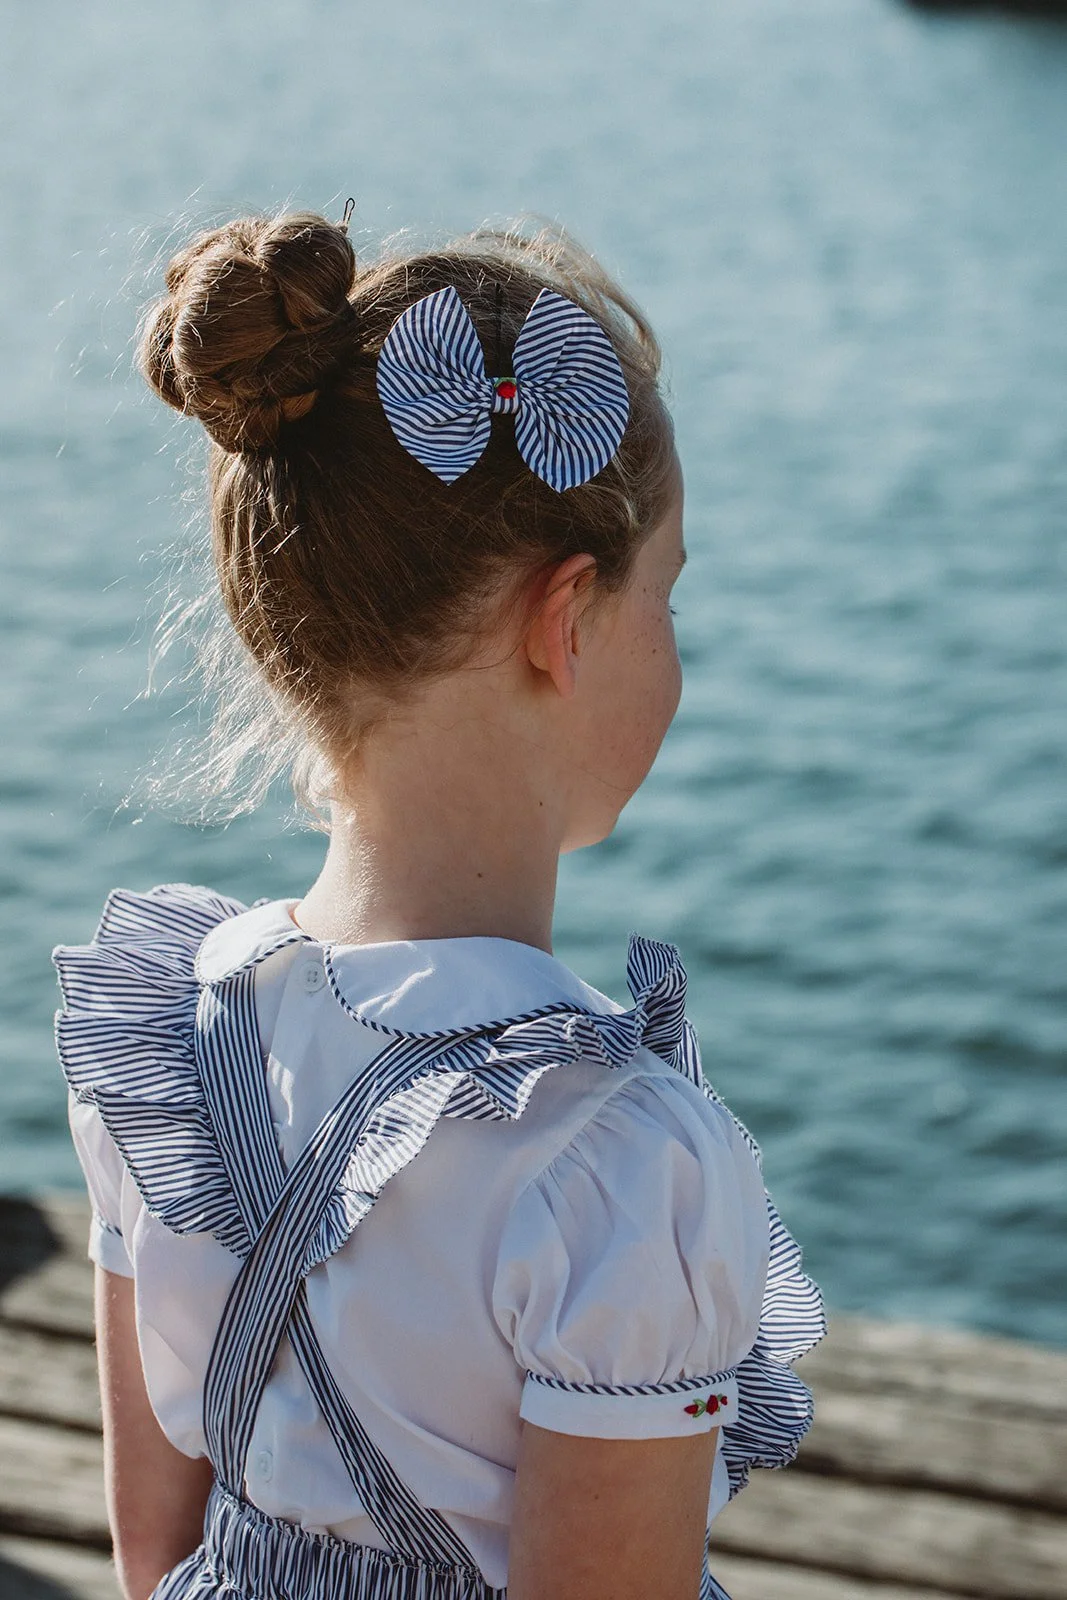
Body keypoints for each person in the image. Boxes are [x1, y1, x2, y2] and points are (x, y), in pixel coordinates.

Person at [54, 209, 825, 1600]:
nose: (674, 650)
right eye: (668, 600)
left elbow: (157, 1559)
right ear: (565, 621)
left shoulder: (162, 1028)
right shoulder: (610, 1160)